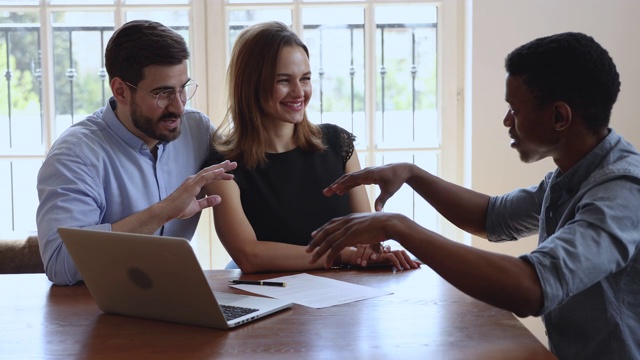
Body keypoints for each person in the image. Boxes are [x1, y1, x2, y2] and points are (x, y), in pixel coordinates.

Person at [306, 32, 640, 359]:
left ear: (559, 117)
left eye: (515, 109)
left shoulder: (621, 191)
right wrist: (411, 173)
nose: (507, 120)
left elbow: (532, 288)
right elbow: (492, 217)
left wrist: (399, 226)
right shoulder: (573, 174)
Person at [205, 21, 419, 273]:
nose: (299, 92)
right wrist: (342, 254)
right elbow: (249, 256)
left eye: (305, 78)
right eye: (284, 80)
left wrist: (371, 252)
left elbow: (364, 236)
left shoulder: (338, 143)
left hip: (345, 294)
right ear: (250, 85)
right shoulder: (223, 164)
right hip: (267, 298)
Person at [36, 20, 237, 286]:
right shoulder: (74, 156)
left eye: (183, 89)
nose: (178, 106)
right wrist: (163, 212)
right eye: (162, 93)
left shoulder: (197, 129)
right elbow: (61, 265)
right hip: (97, 308)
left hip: (176, 293)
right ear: (120, 90)